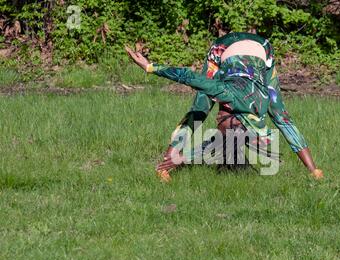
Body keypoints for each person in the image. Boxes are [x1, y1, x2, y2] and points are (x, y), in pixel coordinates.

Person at [125, 32, 323, 181]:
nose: (217, 119)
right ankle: (165, 163)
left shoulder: (256, 122)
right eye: (219, 120)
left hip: (263, 51)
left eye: (219, 120)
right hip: (224, 48)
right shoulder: (226, 94)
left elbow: (220, 141)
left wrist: (182, 158)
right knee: (201, 107)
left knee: (277, 114)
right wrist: (150, 67)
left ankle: (165, 166)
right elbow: (189, 76)